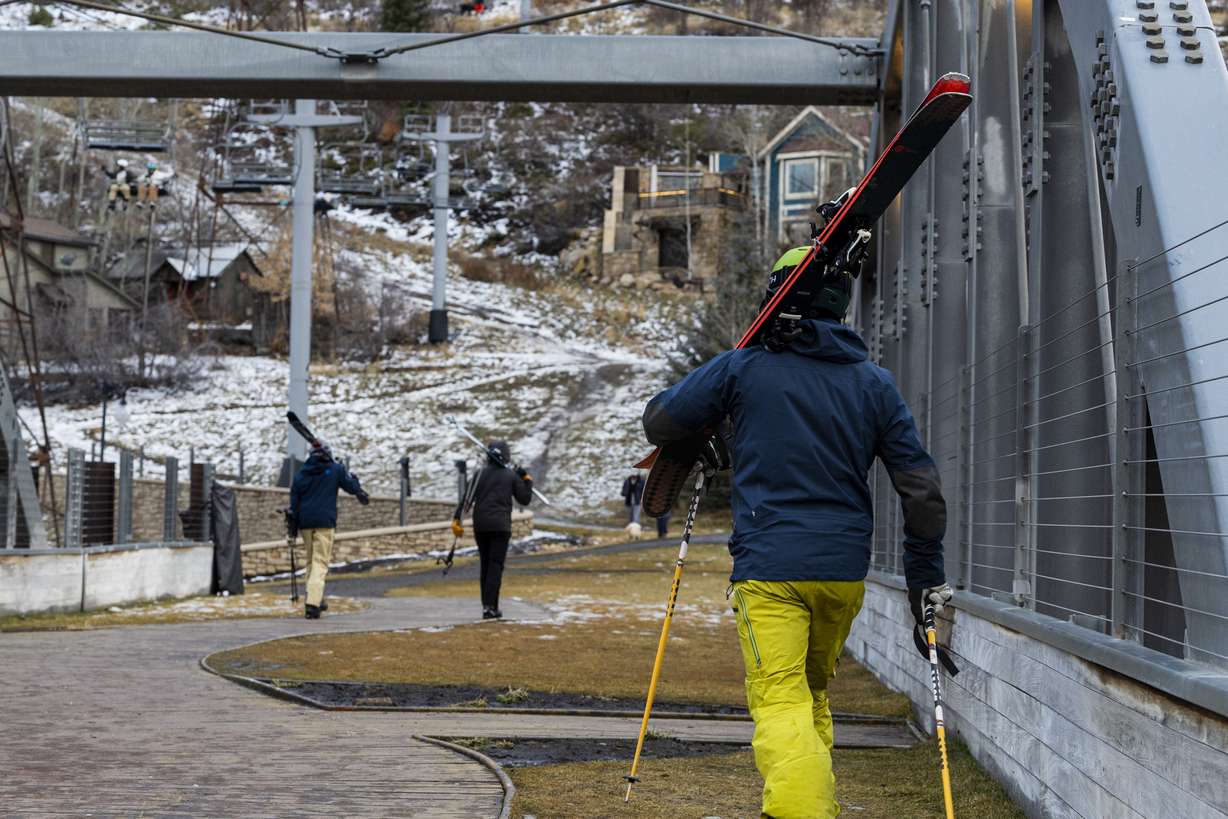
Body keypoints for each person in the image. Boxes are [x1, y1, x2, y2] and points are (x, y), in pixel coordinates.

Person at [641, 243, 952, 819]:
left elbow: (660, 420)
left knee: (779, 698)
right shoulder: (875, 384)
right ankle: (812, 801)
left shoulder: (743, 368)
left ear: (777, 295)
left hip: (770, 572)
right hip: (842, 575)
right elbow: (922, 493)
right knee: (809, 695)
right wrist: (923, 583)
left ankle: (800, 812)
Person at [289, 440, 369, 619]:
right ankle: (312, 604)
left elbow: (294, 502)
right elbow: (351, 487)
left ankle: (316, 598)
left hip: (305, 524)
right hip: (325, 523)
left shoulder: (301, 473)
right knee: (320, 563)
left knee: (311, 562)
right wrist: (354, 479)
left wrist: (293, 527)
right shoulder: (335, 470)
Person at [455, 441, 533, 619]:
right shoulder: (510, 476)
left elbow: (466, 499)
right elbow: (525, 499)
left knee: (485, 565)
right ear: (505, 457)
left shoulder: (479, 474)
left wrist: (456, 519)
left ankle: (487, 606)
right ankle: (491, 607)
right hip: (500, 527)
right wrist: (526, 479)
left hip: (481, 526)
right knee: (495, 566)